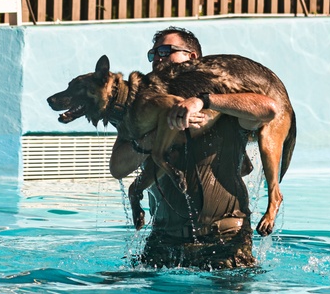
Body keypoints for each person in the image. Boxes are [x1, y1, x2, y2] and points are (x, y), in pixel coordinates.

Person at [109, 27, 279, 269]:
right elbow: (117, 168)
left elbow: (269, 109)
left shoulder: (228, 103)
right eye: (153, 53)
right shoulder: (141, 111)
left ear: (193, 58)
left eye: (166, 51)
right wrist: (160, 132)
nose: (158, 58)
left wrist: (206, 101)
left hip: (225, 239)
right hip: (163, 241)